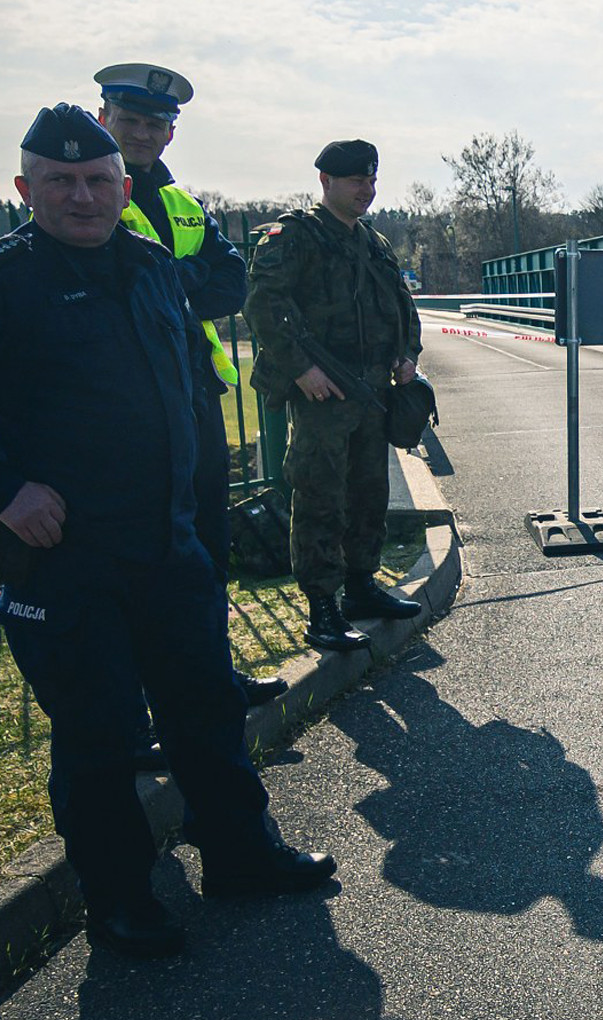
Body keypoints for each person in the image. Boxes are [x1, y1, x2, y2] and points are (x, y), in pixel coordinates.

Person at [0, 105, 337, 960]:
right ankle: (120, 901)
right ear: (24, 188)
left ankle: (239, 854)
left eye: (97, 180)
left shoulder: (153, 265)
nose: (82, 196)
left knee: (205, 709)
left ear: (123, 186)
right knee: (100, 733)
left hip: (170, 544)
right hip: (64, 556)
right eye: (60, 181)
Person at [94, 62, 288, 714]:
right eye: (131, 121)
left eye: (156, 124)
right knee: (141, 557)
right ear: (104, 120)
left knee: (206, 548)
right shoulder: (87, 197)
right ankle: (145, 707)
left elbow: (231, 284)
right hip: (131, 409)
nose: (144, 134)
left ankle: (211, 677)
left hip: (197, 401)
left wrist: (165, 283)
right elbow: (118, 292)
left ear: (170, 134)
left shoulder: (180, 204)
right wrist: (185, 279)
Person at [243, 139, 425, 653]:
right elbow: (262, 306)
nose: (366, 190)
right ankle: (322, 605)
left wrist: (407, 354)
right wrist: (302, 371)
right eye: (355, 181)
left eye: (371, 180)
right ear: (325, 182)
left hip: (371, 390)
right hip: (323, 391)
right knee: (319, 494)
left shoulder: (375, 243)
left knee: (368, 492)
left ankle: (361, 586)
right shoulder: (295, 236)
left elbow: (402, 308)